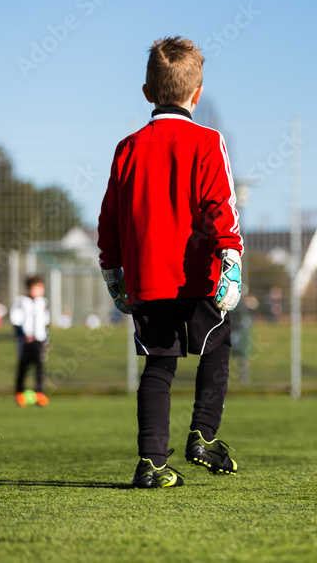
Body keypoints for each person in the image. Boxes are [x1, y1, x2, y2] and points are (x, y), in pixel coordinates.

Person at [98, 36, 244, 489]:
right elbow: (221, 205)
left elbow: (110, 218)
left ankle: (151, 464)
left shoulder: (127, 148)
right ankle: (202, 435)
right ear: (197, 93)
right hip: (199, 275)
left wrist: (112, 271)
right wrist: (231, 259)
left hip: (147, 279)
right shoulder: (207, 141)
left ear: (147, 93)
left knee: (158, 368)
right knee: (217, 348)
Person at [11, 275, 50, 407]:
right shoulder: (21, 301)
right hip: (25, 340)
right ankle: (19, 393)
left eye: (40, 288)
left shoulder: (43, 302)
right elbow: (15, 320)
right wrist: (23, 334)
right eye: (35, 288)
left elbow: (46, 323)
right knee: (24, 365)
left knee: (39, 366)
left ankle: (40, 393)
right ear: (28, 288)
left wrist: (47, 339)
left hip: (39, 339)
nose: (37, 291)